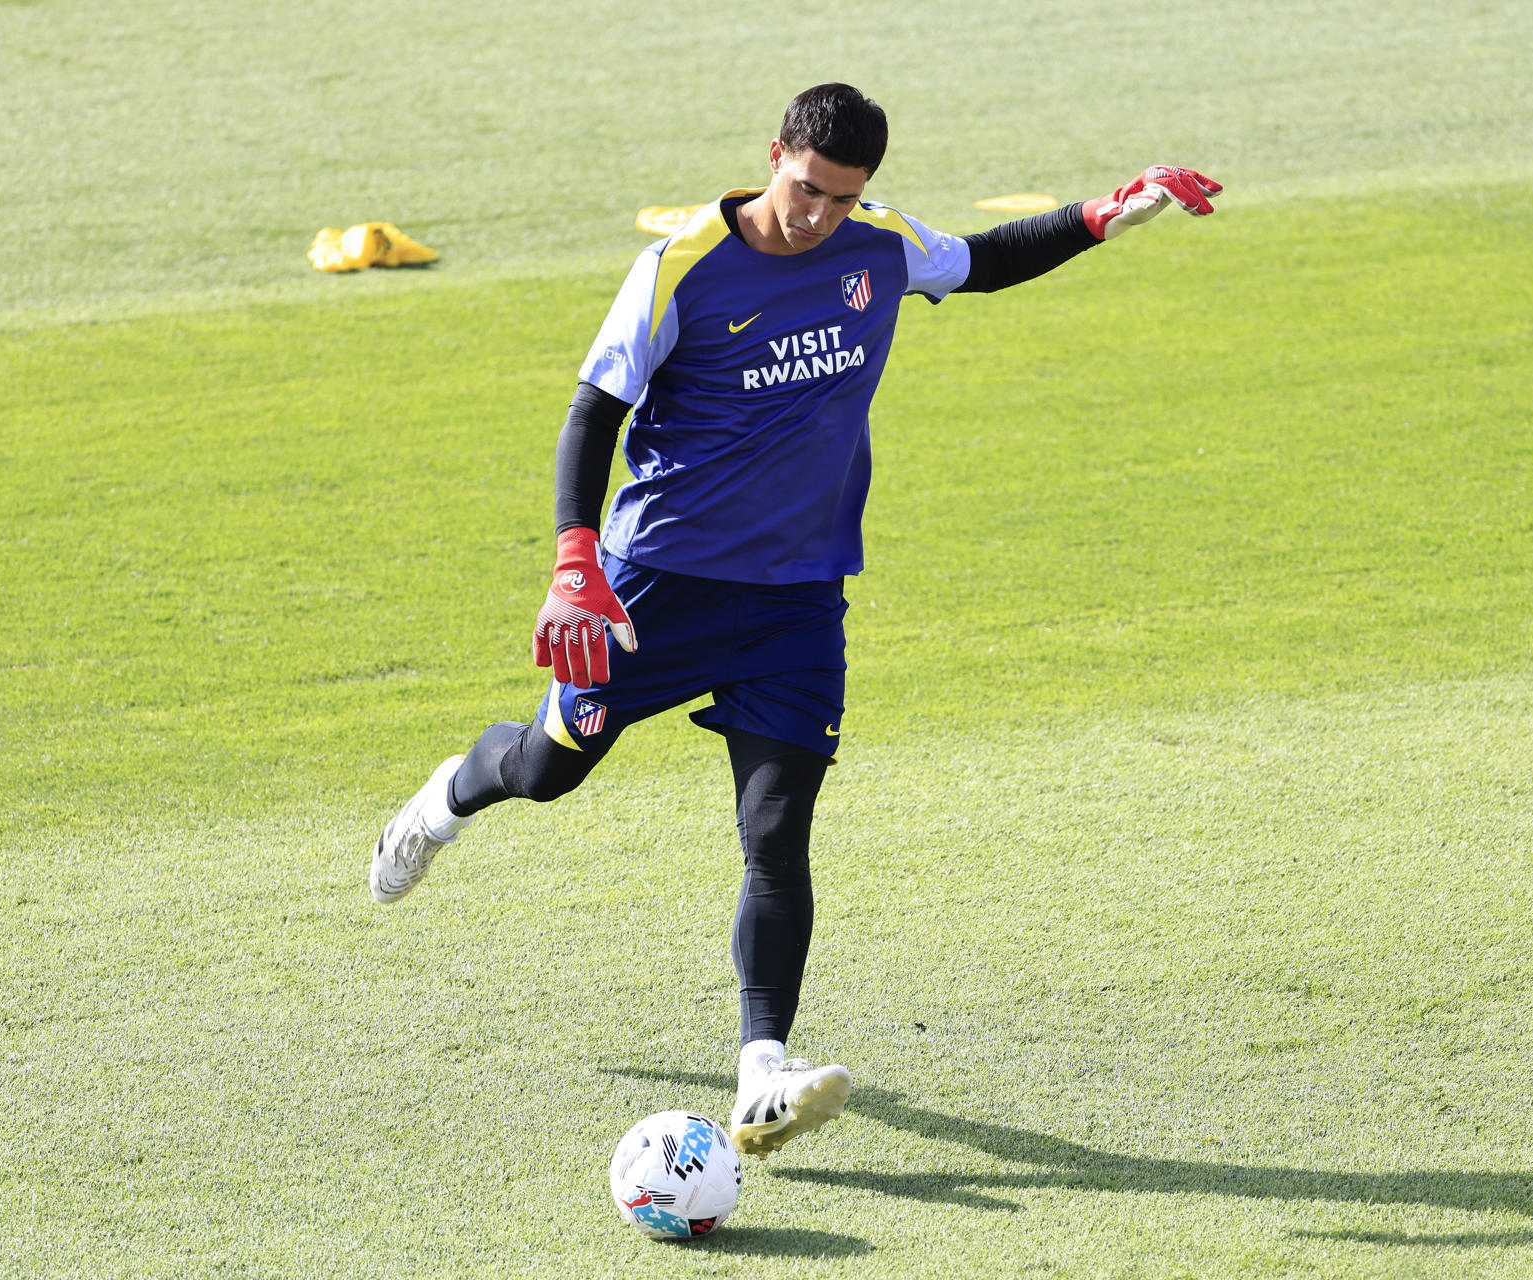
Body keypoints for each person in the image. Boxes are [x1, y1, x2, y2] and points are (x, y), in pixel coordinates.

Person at [369, 83, 1219, 1157]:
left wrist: (1105, 213)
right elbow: (595, 409)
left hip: (799, 600)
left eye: (842, 197)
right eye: (806, 188)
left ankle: (762, 1064)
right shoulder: (681, 265)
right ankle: (444, 799)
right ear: (774, 155)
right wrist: (574, 561)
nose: (818, 214)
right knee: (548, 767)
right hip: (656, 586)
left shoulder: (877, 246)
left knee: (777, 832)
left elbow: (985, 259)